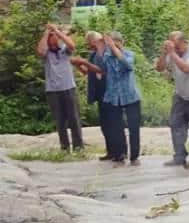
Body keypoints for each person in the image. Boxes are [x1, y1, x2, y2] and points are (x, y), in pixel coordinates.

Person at [156, 31, 189, 168]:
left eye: (178, 47)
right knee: (176, 126)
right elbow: (159, 68)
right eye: (174, 47)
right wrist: (164, 53)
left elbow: (186, 68)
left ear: (184, 42)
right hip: (180, 96)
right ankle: (179, 156)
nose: (177, 50)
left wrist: (172, 53)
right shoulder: (173, 52)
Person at [37, 23, 83, 152]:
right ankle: (65, 147)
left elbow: (72, 45)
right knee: (60, 121)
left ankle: (79, 147)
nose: (56, 39)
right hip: (52, 90)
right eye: (53, 37)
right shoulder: (46, 54)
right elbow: (40, 51)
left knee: (74, 119)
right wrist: (46, 33)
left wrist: (57, 31)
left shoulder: (64, 50)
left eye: (57, 37)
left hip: (69, 88)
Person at [70, 32, 114, 161]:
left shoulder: (106, 53)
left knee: (112, 123)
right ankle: (110, 151)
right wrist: (78, 64)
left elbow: (101, 70)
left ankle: (118, 151)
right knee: (104, 124)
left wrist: (84, 62)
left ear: (95, 41)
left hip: (109, 91)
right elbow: (87, 72)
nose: (88, 45)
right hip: (99, 93)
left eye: (89, 42)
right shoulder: (93, 55)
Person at [102, 32, 141, 167]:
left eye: (115, 43)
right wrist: (108, 47)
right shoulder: (107, 56)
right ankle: (120, 155)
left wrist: (114, 47)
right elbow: (104, 59)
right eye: (110, 44)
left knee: (134, 128)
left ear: (121, 43)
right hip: (113, 97)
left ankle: (134, 157)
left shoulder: (130, 54)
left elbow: (127, 65)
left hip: (130, 96)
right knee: (116, 128)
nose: (112, 47)